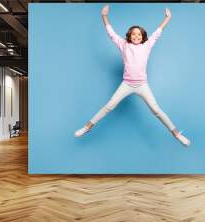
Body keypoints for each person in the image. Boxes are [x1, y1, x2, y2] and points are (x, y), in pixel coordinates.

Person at [75, 5, 191, 147]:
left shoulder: (147, 45)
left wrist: (168, 18)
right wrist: (104, 16)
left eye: (139, 34)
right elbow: (111, 33)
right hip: (127, 84)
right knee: (109, 106)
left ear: (143, 37)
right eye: (134, 34)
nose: (136, 36)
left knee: (156, 110)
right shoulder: (123, 45)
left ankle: (177, 134)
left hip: (142, 85)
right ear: (129, 36)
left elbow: (158, 32)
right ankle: (87, 127)